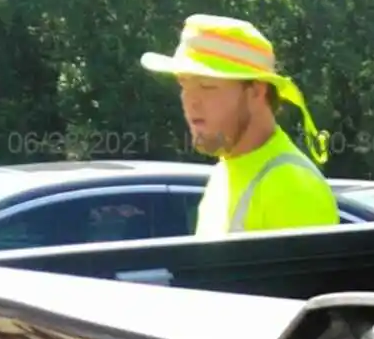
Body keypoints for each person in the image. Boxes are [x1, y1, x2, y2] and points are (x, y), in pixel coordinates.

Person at [141, 14, 340, 237]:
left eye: (207, 86)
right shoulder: (225, 171)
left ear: (256, 91)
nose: (190, 101)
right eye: (184, 85)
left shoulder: (292, 186)